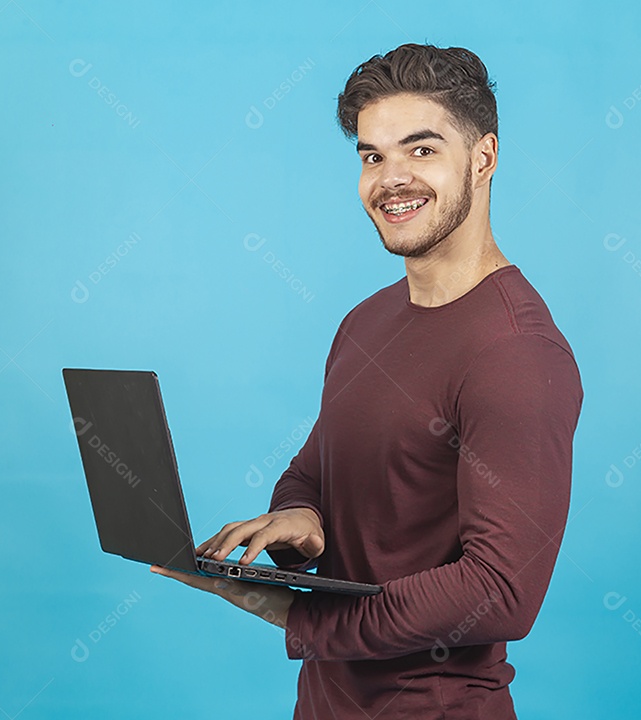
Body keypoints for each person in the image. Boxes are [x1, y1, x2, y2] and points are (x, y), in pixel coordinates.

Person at [151, 42, 584, 719]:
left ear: (484, 157)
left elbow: (501, 591)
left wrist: (298, 617)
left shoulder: (518, 353)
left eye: (422, 150)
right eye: (372, 156)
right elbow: (313, 470)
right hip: (324, 704)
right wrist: (303, 518)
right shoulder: (366, 322)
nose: (391, 179)